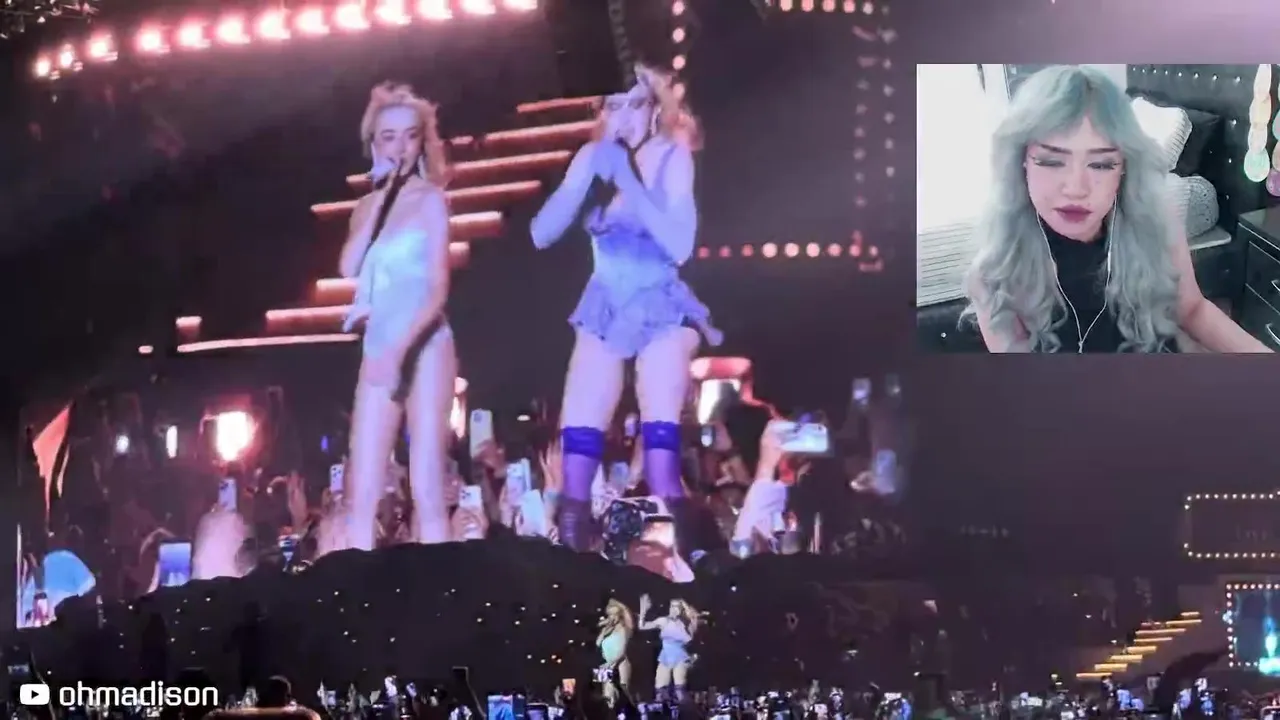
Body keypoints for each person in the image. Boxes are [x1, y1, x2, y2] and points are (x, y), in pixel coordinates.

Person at [530, 63, 722, 553]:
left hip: (659, 302)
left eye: (635, 103)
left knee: (660, 466)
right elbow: (540, 234)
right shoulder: (594, 156)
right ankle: (573, 576)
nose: (624, 116)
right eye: (613, 105)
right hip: (605, 304)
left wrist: (628, 180)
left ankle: (693, 570)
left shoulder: (672, 155)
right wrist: (584, 175)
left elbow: (680, 245)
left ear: (654, 107)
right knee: (575, 468)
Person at [963, 65, 1269, 353]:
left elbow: (1192, 309)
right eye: (1052, 161)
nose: (1076, 188)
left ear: (1124, 167)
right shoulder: (996, 272)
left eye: (1100, 164)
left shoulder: (1156, 224)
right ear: (1021, 163)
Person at [337, 82, 458, 548]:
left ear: (421, 141)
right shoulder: (365, 206)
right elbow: (348, 267)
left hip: (424, 340)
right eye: (388, 137)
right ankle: (358, 584)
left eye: (409, 136)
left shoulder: (431, 199)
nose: (400, 147)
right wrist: (382, 199)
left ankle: (445, 585)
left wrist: (401, 350)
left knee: (426, 484)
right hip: (380, 343)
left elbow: (437, 289)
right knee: (361, 490)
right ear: (374, 143)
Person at [636, 594, 700, 704]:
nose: (673, 609)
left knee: (679, 690)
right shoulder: (663, 621)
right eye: (672, 606)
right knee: (660, 690)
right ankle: (664, 710)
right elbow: (642, 626)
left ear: (681, 610)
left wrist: (685, 607)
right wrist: (643, 610)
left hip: (680, 657)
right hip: (665, 656)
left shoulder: (686, 624)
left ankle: (685, 710)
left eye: (676, 607)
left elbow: (691, 632)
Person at [596, 598, 635, 706]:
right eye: (610, 615)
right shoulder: (608, 629)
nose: (612, 617)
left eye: (615, 614)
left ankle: (631, 711)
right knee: (607, 693)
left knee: (623, 689)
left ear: (620, 615)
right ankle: (609, 710)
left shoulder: (625, 629)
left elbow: (622, 650)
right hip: (606, 664)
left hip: (620, 662)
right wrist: (604, 631)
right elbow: (598, 644)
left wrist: (617, 603)